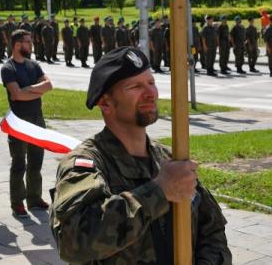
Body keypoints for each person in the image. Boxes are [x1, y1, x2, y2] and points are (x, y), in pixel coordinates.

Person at [50, 47, 231, 263]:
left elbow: (213, 230)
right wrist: (159, 192)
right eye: (135, 86)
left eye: (151, 83)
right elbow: (73, 243)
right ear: (105, 103)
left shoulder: (168, 159)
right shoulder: (86, 164)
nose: (150, 93)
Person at [1, 30, 54, 218]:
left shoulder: (34, 65)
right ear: (17, 45)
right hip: (19, 123)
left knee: (36, 162)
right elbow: (16, 95)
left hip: (37, 120)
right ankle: (17, 203)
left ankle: (34, 198)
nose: (31, 45)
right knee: (19, 164)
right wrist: (35, 91)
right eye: (28, 42)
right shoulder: (8, 68)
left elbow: (49, 85)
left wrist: (29, 89)